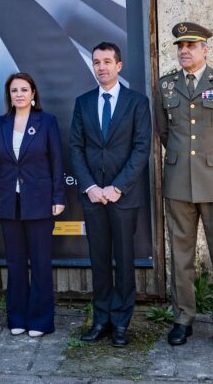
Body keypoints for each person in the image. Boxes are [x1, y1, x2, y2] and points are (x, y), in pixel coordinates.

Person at [158, 22, 213, 350]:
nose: (184, 51)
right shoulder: (166, 86)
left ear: (205, 50)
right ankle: (183, 318)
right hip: (178, 183)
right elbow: (164, 133)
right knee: (180, 255)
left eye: (191, 45)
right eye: (180, 46)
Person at [69, 42, 152, 348]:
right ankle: (100, 319)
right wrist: (91, 187)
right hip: (93, 197)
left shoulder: (137, 102)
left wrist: (117, 187)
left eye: (107, 61)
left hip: (123, 197)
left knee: (124, 260)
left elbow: (141, 148)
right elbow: (75, 147)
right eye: (96, 62)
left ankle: (120, 323)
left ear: (119, 66)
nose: (101, 67)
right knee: (99, 260)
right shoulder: (83, 103)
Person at [0, 72, 65, 337]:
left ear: (33, 94)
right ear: (9, 95)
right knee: (15, 263)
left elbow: (57, 162)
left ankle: (40, 321)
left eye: (23, 90)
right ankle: (16, 317)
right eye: (14, 90)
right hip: (9, 202)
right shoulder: (1, 123)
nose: (19, 94)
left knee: (40, 262)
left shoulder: (47, 122)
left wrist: (58, 198)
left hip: (40, 201)